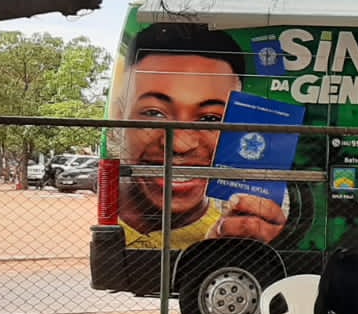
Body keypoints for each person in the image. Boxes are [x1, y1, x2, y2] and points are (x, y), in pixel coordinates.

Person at [116, 22, 288, 250]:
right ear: (118, 117)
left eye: (210, 119)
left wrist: (272, 245)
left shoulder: (236, 228)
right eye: (154, 113)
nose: (180, 144)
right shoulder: (109, 222)